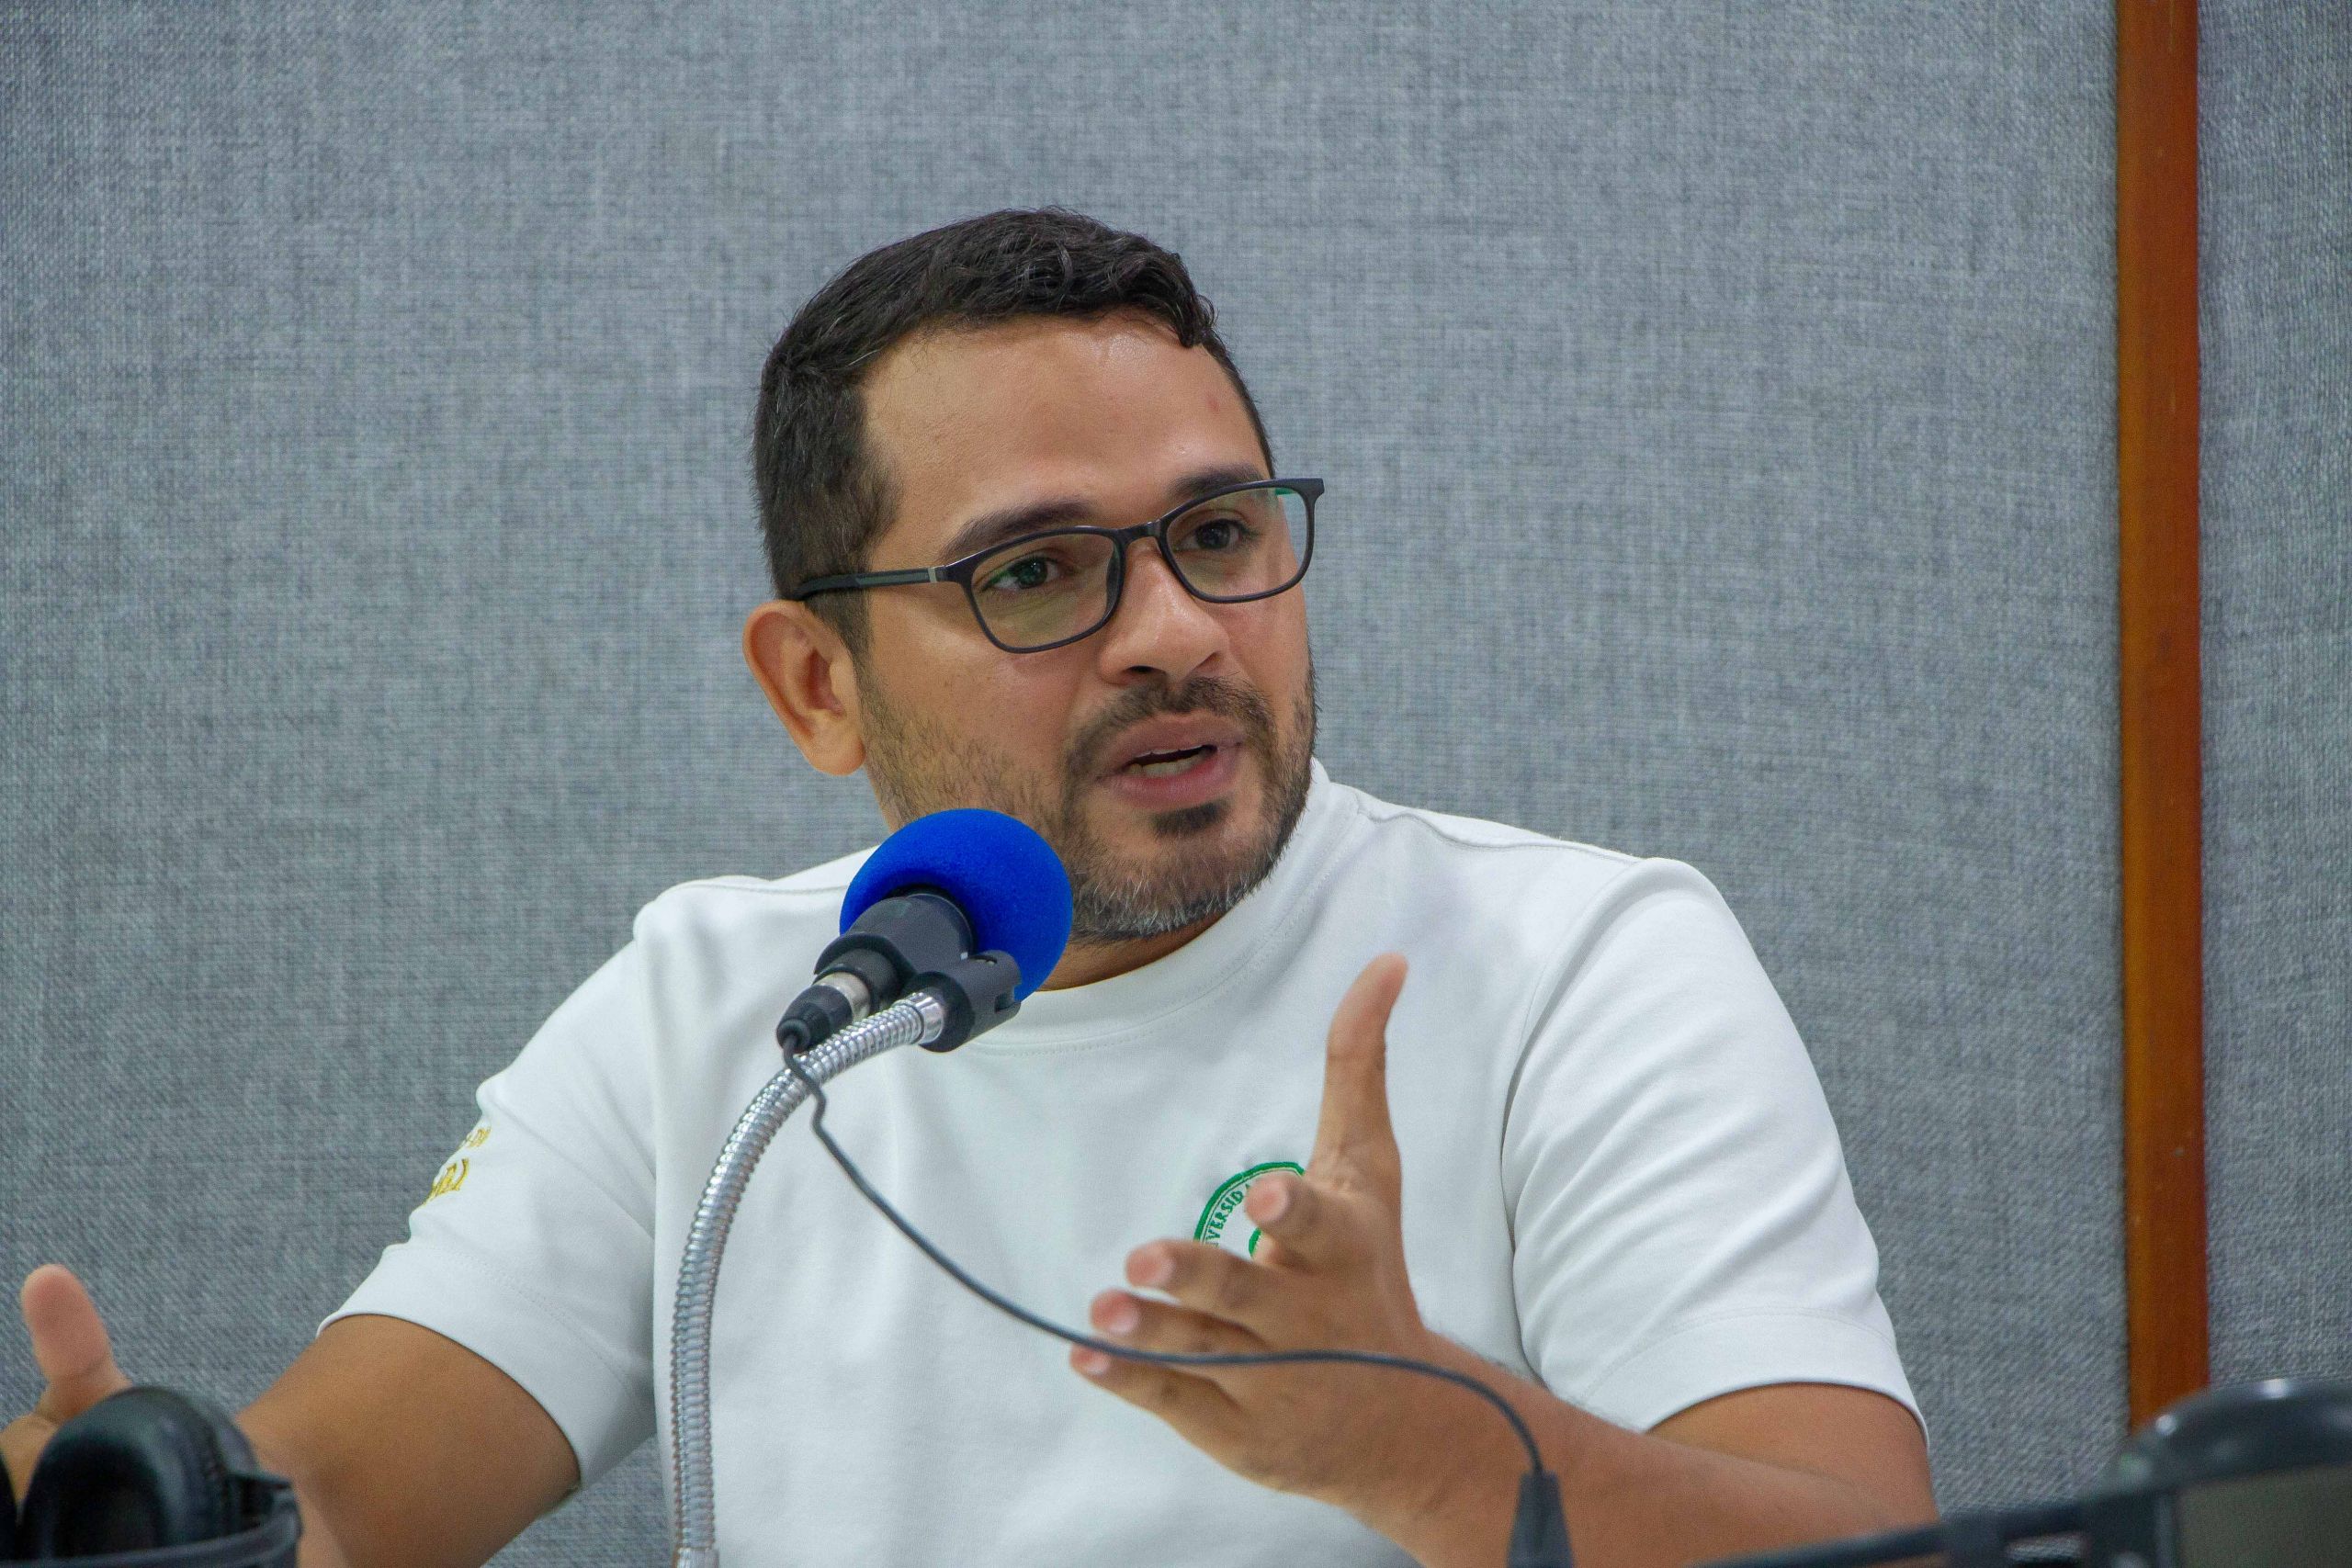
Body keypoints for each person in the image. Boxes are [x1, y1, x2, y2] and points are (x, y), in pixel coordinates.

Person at [5, 209, 1933, 1567]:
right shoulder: (723, 1015)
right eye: (1034, 572)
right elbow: (343, 1497)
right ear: (816, 683)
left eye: (1215, 531)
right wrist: (135, 1509)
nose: (1173, 631)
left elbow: (1858, 1548)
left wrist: (1421, 1444)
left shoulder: (1583, 963)